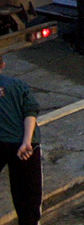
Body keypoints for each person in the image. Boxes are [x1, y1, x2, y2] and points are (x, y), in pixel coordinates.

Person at [0, 53, 42, 225]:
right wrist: (26, 141)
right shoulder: (17, 85)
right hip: (26, 145)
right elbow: (30, 112)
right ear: (3, 65)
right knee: (28, 195)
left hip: (2, 142)